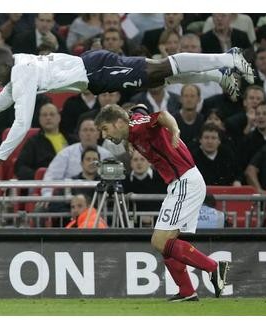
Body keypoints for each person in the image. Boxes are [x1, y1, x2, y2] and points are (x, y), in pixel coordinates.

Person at [0, 45, 254, 178]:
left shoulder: (22, 73)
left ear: (4, 65)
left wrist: (0, 155)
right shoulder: (19, 64)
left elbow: (20, 122)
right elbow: (6, 95)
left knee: (160, 68)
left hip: (97, 71)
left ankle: (228, 58)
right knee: (161, 76)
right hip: (94, 74)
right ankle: (218, 75)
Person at [94, 104, 229, 301]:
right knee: (164, 242)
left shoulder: (139, 126)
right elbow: (140, 107)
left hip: (185, 181)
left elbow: (163, 115)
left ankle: (213, 267)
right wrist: (127, 142)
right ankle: (186, 291)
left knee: (160, 241)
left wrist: (175, 129)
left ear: (119, 122)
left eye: (105, 128)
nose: (104, 135)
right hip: (180, 183)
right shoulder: (132, 125)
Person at [14, 103, 75, 180]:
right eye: (44, 115)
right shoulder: (33, 143)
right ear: (39, 119)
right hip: (45, 183)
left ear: (59, 118)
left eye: (52, 114)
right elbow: (20, 168)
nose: (48, 118)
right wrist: (41, 175)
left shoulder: (71, 140)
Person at [122, 150, 167, 227]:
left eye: (142, 159)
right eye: (135, 160)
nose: (139, 163)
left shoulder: (161, 179)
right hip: (132, 226)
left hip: (159, 224)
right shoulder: (124, 180)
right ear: (131, 163)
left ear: (149, 162)